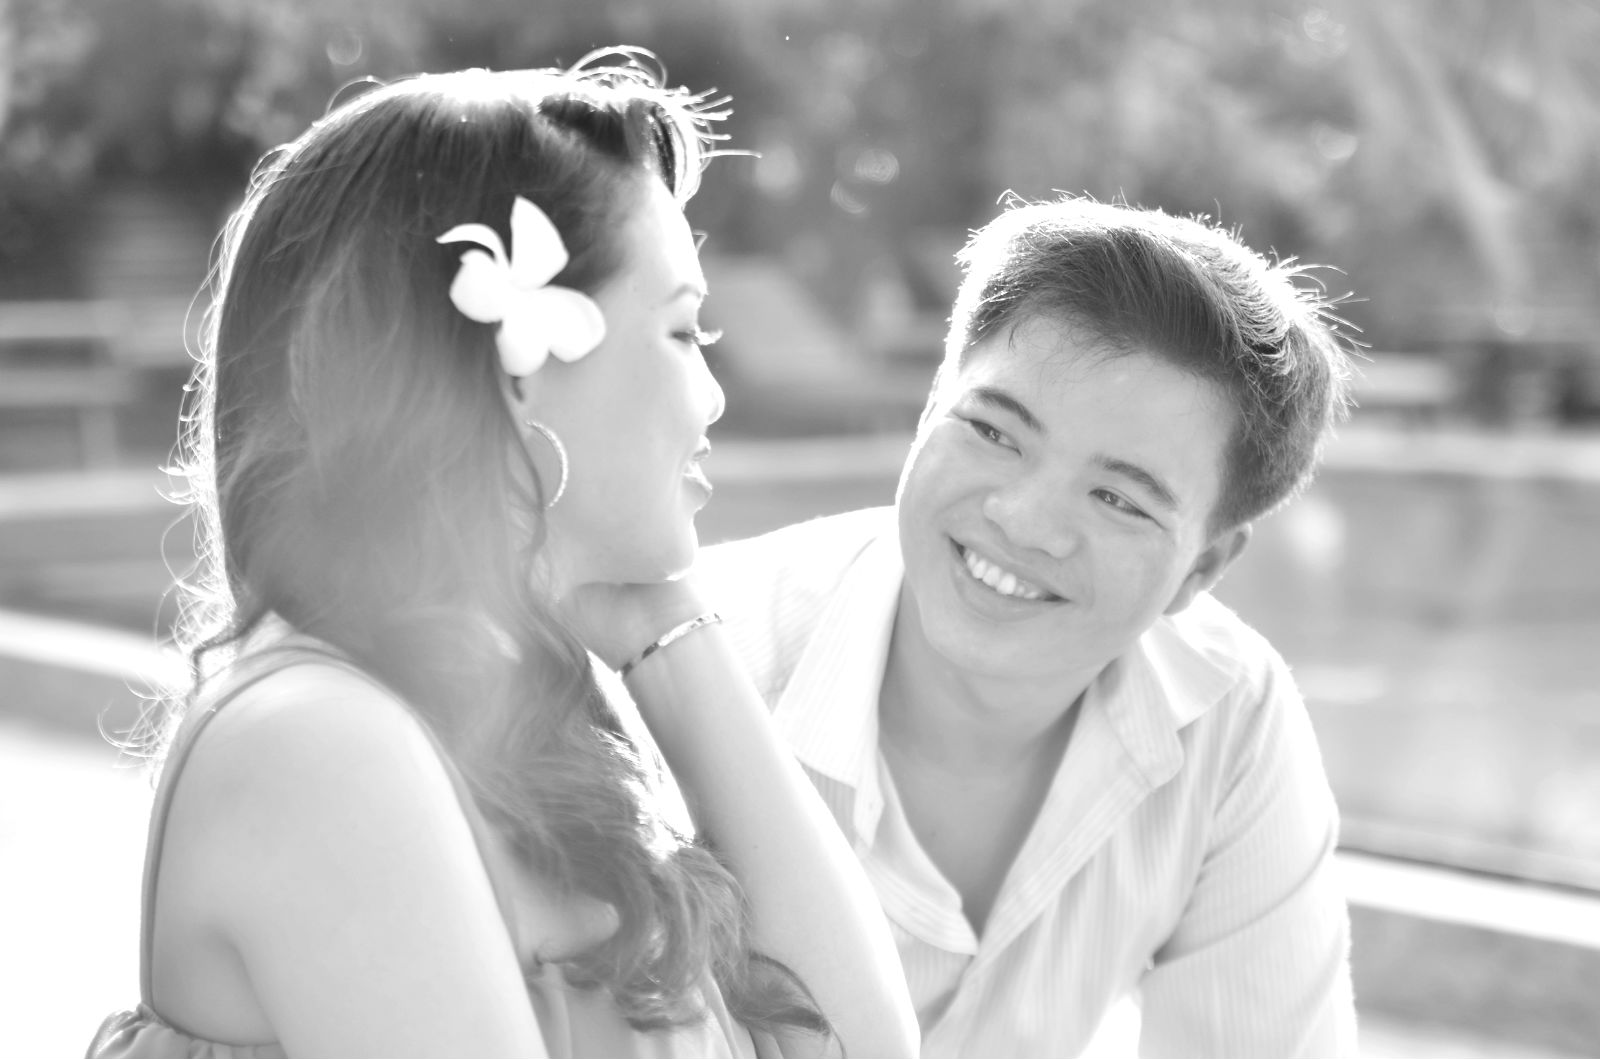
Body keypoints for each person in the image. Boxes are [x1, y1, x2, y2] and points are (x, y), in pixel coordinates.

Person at [89, 52, 917, 1059]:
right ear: (516, 374)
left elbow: (861, 1045)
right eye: (683, 330)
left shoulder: (531, 720)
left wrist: (666, 626)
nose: (711, 397)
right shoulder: (318, 744)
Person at [697, 196, 1360, 1057]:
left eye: (1117, 498)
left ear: (1201, 569)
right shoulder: (693, 666)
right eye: (993, 431)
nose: (1024, 520)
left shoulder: (1227, 715)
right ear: (930, 408)